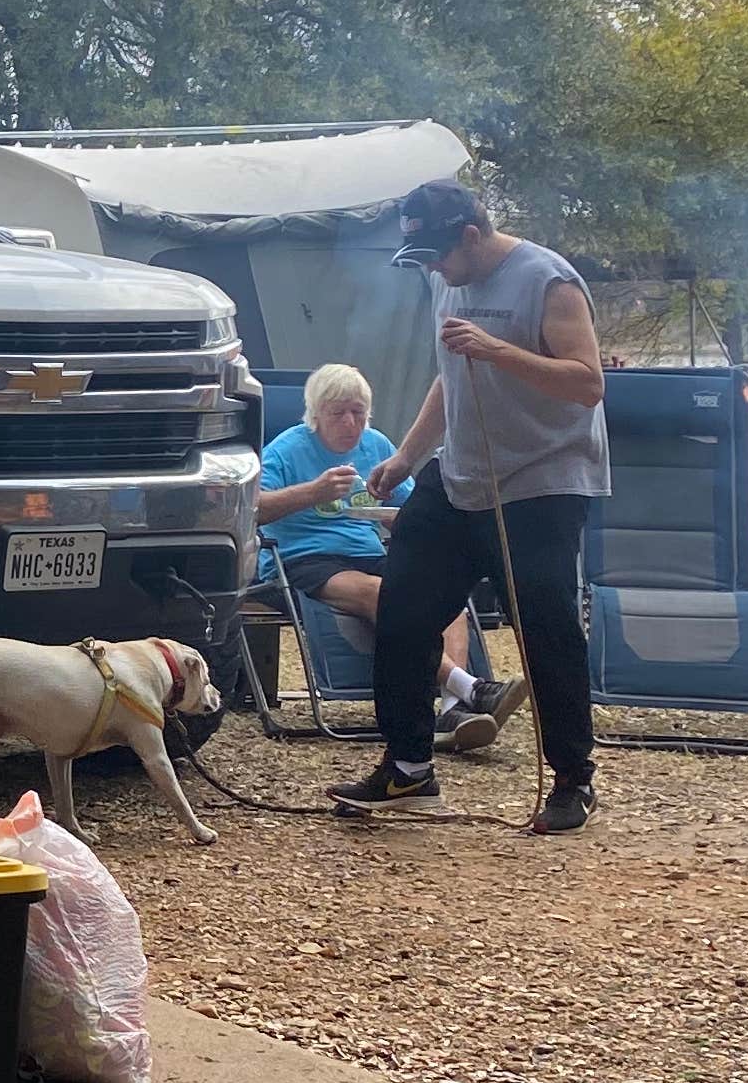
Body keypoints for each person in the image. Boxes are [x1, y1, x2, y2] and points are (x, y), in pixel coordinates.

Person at [330, 180, 610, 832]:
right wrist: (405, 455)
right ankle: (407, 770)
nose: (430, 267)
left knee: (546, 627)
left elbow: (588, 383)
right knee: (400, 609)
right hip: (460, 477)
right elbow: (450, 379)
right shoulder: (445, 279)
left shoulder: (548, 282)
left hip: (541, 481)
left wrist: (499, 350)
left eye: (437, 253)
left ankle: (573, 779)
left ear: (472, 236)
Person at [255, 361, 518, 753]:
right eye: (339, 413)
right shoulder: (288, 449)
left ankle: (451, 708)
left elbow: (412, 509)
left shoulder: (376, 446)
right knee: (388, 596)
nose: (350, 423)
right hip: (305, 557)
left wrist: (401, 520)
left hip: (367, 549)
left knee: (446, 596)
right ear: (315, 416)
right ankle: (470, 687)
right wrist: (313, 492)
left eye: (358, 413)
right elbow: (254, 508)